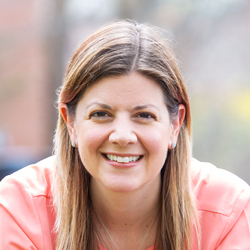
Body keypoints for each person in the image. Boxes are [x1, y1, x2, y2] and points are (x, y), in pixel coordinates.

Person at [0, 20, 249, 250]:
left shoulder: (228, 210)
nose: (122, 136)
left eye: (144, 115)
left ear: (175, 125)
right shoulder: (20, 208)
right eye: (101, 114)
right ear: (71, 122)